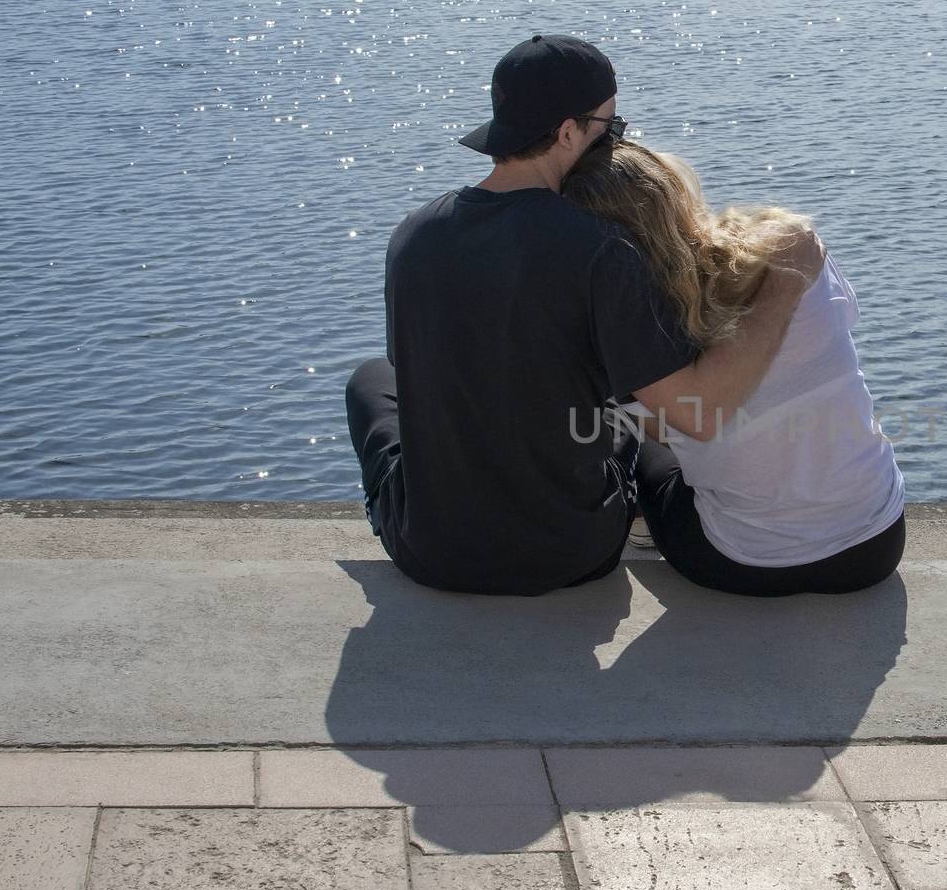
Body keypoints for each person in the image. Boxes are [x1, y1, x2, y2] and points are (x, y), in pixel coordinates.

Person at [343, 34, 825, 595]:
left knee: (372, 380)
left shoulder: (414, 234)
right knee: (628, 420)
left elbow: (424, 374)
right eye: (612, 128)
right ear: (569, 131)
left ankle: (413, 514)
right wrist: (778, 293)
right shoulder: (602, 249)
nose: (618, 142)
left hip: (432, 554)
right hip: (571, 551)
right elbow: (693, 415)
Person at [562, 140, 906, 597]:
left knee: (622, 429)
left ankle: (643, 526)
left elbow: (671, 428)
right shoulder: (791, 254)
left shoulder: (627, 324)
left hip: (741, 564)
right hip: (875, 545)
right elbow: (843, 324)